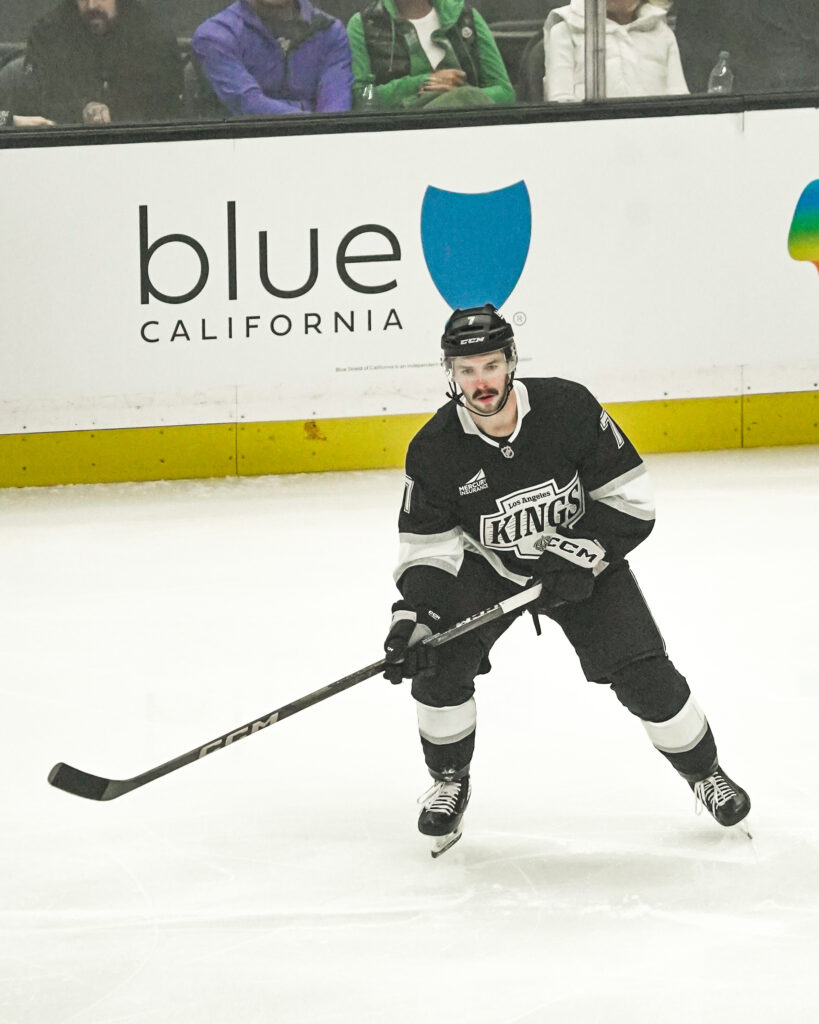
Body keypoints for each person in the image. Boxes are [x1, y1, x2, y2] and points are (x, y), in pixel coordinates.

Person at [383, 304, 750, 857]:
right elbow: (429, 548)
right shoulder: (435, 449)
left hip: (584, 562)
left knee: (645, 675)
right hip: (493, 569)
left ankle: (705, 773)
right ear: (450, 374)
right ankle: (449, 780)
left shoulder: (566, 407)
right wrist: (415, 618)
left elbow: (631, 501)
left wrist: (581, 556)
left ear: (511, 362)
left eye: (489, 365)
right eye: (466, 370)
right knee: (438, 665)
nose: (481, 383)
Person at [23, 0, 183, 126]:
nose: (92, 5)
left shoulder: (152, 33)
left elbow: (166, 101)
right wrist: (82, 109)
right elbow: (36, 101)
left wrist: (114, 111)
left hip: (138, 143)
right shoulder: (48, 34)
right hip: (67, 144)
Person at [346, 0, 515, 112]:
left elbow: (505, 92)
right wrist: (421, 83)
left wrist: (462, 97)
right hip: (398, 137)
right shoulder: (363, 24)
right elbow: (361, 99)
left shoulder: (465, 16)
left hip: (469, 132)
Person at [192, 0, 353, 117]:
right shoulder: (215, 35)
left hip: (321, 150)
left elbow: (336, 113)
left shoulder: (330, 31)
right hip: (240, 150)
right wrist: (314, 120)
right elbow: (249, 106)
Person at [544, 0, 688, 101]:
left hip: (656, 137)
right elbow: (560, 106)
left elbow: (680, 102)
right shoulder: (564, 32)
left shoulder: (662, 33)